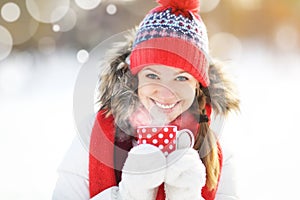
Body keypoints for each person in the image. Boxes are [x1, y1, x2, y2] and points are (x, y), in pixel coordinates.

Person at [53, 0, 240, 199]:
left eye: (182, 77)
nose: (166, 93)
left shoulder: (216, 151)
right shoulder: (92, 136)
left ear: (198, 85)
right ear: (136, 78)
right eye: (152, 75)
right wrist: (129, 194)